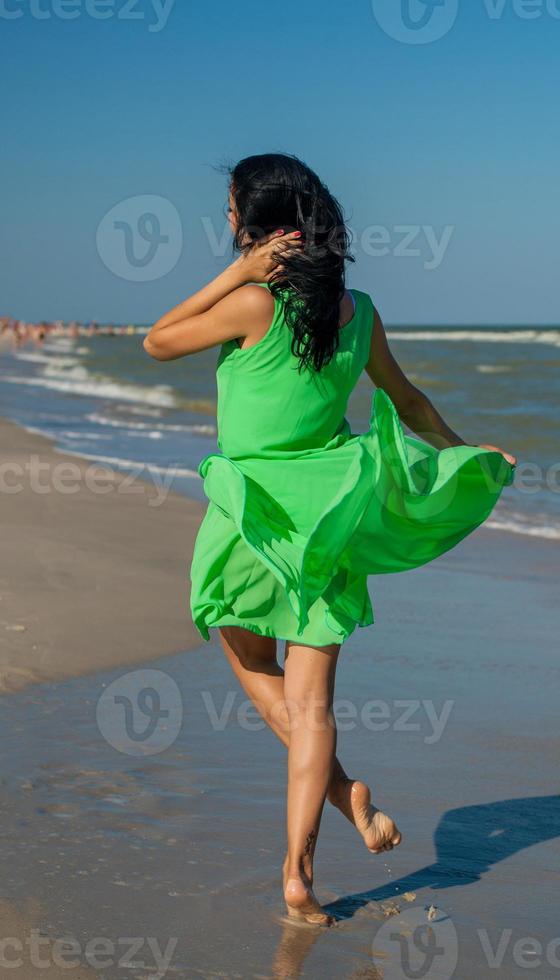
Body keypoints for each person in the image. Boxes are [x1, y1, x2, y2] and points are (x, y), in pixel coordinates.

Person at [144, 153, 516, 925]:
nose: (224, 218)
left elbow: (157, 341)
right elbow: (405, 398)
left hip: (253, 513)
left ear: (261, 227)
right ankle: (299, 876)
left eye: (230, 208)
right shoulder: (361, 312)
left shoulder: (250, 302)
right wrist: (459, 452)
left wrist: (237, 273)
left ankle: (349, 797)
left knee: (249, 659)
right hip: (333, 511)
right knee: (312, 706)